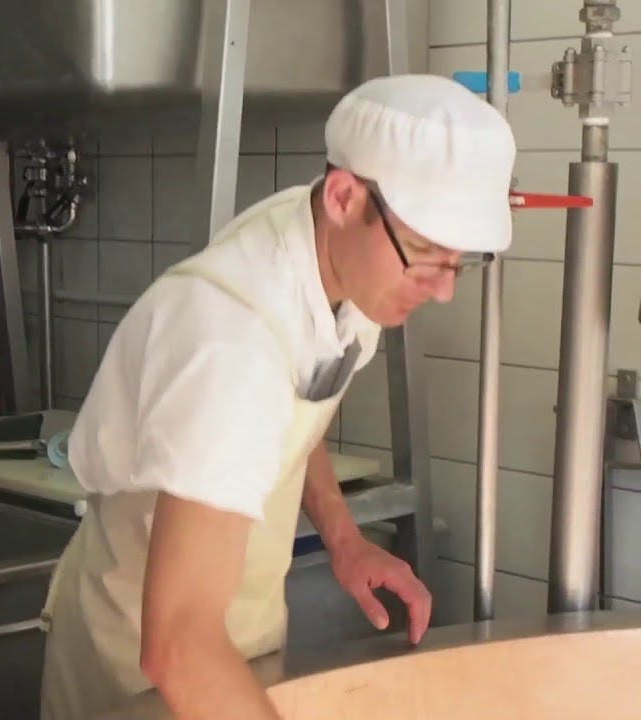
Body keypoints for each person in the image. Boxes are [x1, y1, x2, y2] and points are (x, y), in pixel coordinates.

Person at [38, 74, 517, 720]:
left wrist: (343, 538)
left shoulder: (332, 255)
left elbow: (297, 402)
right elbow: (177, 646)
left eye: (460, 260)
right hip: (135, 669)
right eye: (424, 252)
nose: (443, 289)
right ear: (344, 197)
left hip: (238, 643)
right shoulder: (231, 345)